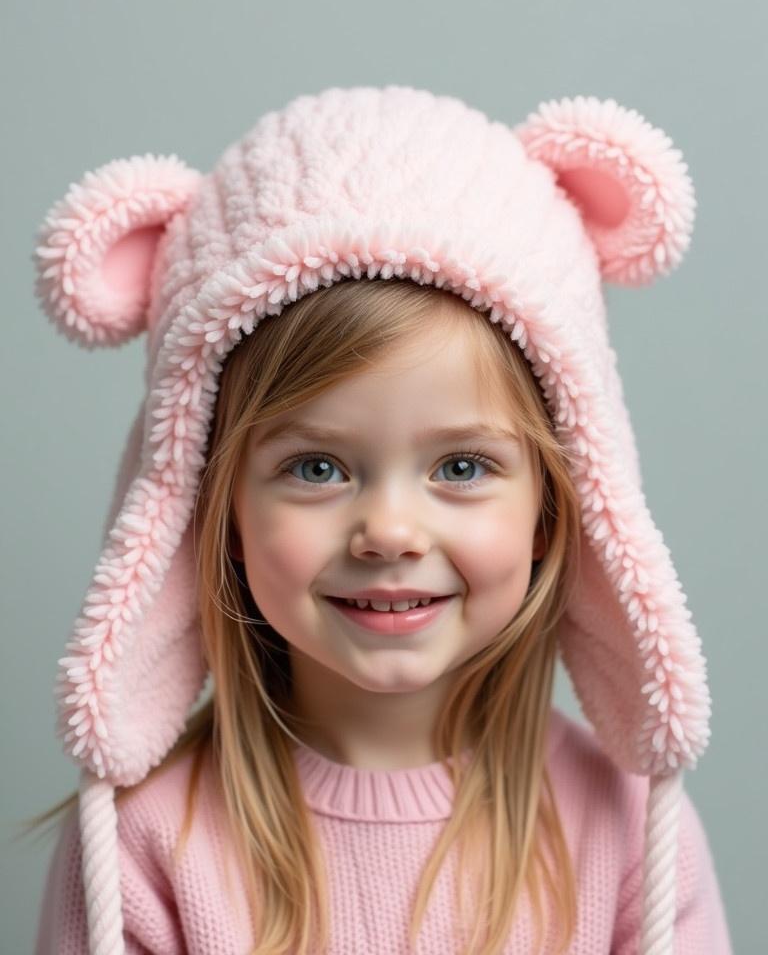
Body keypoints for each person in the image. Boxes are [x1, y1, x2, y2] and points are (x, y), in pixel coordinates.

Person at [26, 85, 732, 954]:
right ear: (216, 512)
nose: (390, 530)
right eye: (315, 467)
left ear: (557, 508)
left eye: (462, 467)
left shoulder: (626, 828)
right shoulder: (143, 845)